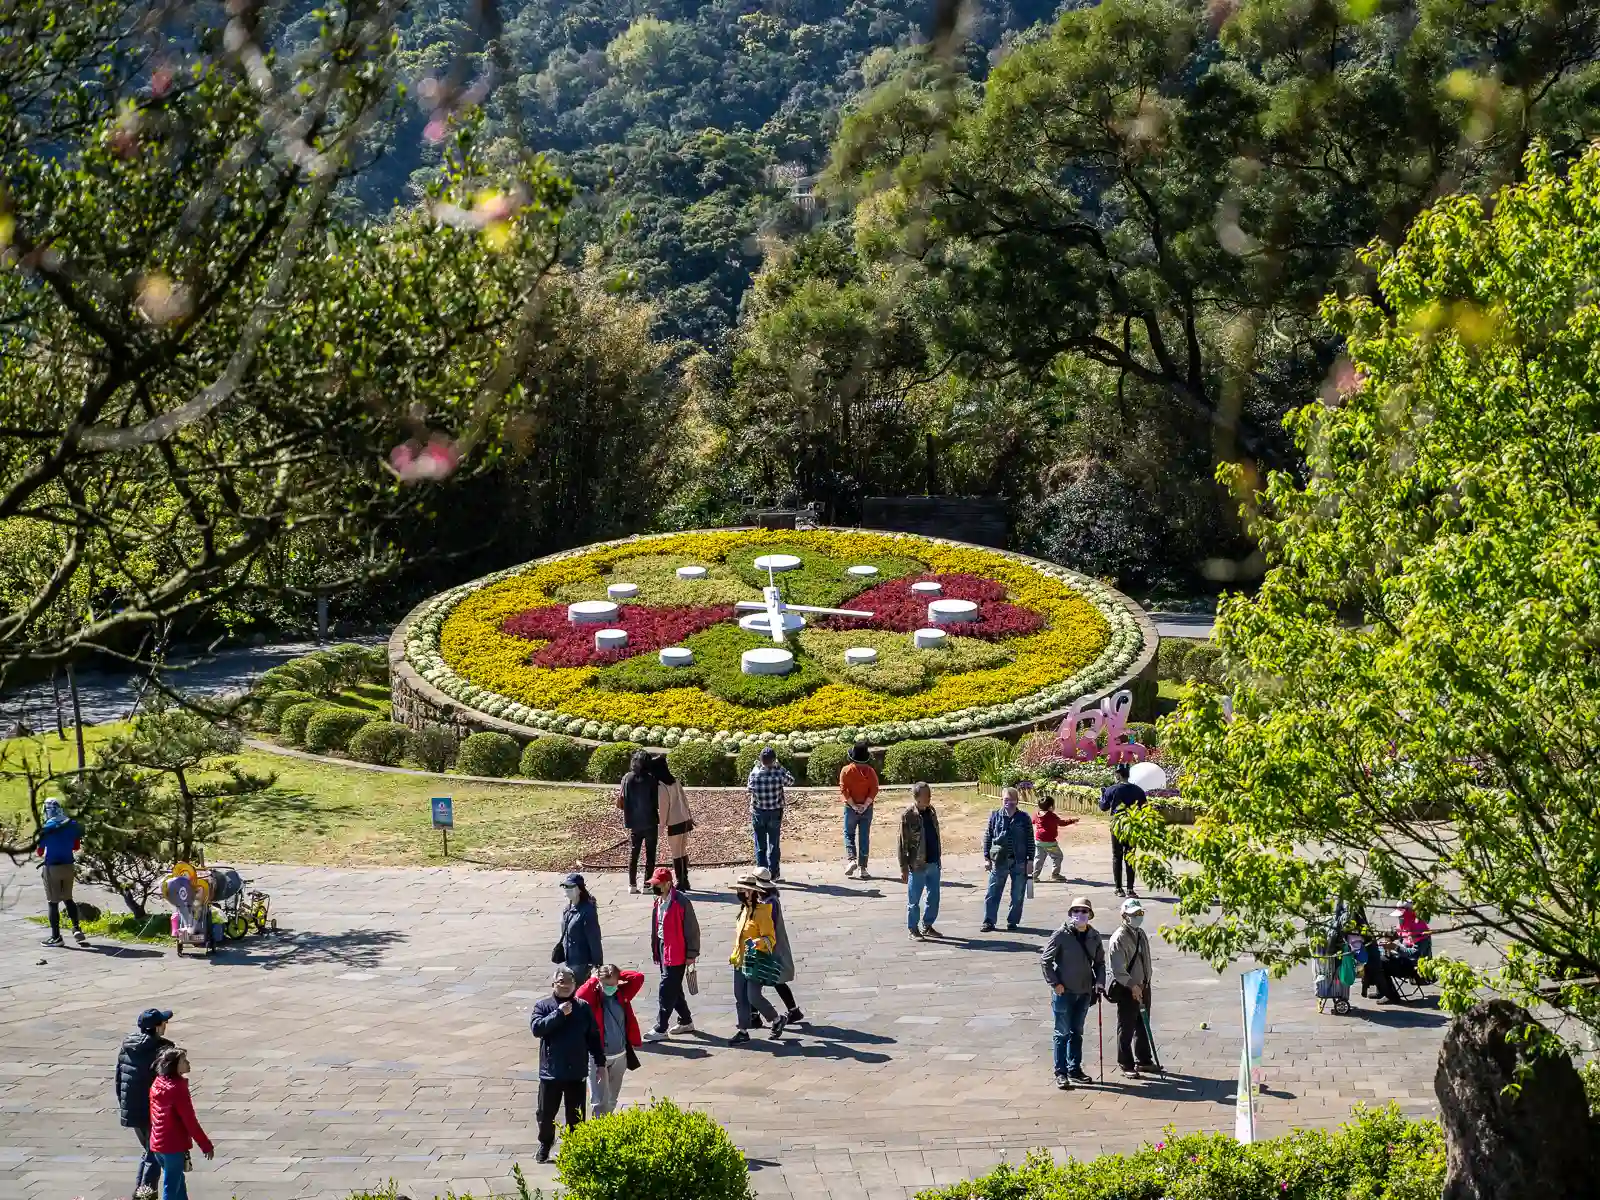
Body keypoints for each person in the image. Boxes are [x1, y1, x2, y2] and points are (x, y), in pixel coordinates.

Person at [529, 966, 605, 1163]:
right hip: (550, 1072)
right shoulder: (543, 1006)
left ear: (575, 984)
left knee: (576, 1116)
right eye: (560, 982)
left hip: (576, 1071)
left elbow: (593, 1037)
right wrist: (559, 1014)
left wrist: (600, 1062)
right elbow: (537, 1029)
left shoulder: (583, 1007)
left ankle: (575, 1148)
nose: (564, 986)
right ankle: (545, 1143)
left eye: (568, 982)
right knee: (545, 1114)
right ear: (553, 984)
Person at [1040, 898, 1105, 1088]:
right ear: (1070, 913)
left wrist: (1100, 983)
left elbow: (1100, 963)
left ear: (1090, 915)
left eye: (1084, 911)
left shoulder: (1094, 936)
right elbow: (1046, 961)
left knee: (1077, 1032)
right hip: (1064, 992)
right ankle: (1061, 1072)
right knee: (1062, 1033)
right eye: (1076, 911)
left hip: (1084, 991)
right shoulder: (1061, 934)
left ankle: (1074, 1069)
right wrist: (1055, 984)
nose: (1080, 914)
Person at [115, 1007, 174, 1197]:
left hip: (131, 1108)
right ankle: (145, 1194)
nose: (166, 1025)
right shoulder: (163, 1049)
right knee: (154, 1153)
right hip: (154, 1110)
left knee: (149, 1151)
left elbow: (118, 1078)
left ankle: (142, 1192)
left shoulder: (127, 1045)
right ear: (157, 1027)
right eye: (163, 1022)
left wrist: (124, 1104)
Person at [575, 963, 644, 1116]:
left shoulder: (621, 995)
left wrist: (619, 974)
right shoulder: (592, 999)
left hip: (620, 1055)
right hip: (598, 1057)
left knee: (612, 1098)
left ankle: (607, 1125)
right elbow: (579, 996)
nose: (610, 988)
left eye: (613, 984)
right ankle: (599, 1132)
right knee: (599, 1100)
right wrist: (593, 979)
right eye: (606, 984)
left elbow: (638, 978)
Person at [147, 1046, 214, 1200]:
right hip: (172, 1146)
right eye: (184, 1061)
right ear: (174, 1065)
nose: (188, 1063)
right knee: (171, 1188)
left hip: (158, 1145)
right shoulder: (177, 1089)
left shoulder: (157, 1083)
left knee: (178, 1184)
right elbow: (190, 1121)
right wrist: (205, 1145)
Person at [728, 871, 787, 1043]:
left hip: (755, 960)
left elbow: (770, 938)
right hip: (740, 959)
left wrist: (756, 943)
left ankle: (776, 1019)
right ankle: (743, 1031)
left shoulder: (762, 912)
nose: (739, 892)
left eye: (742, 889)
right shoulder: (743, 911)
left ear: (751, 892)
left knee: (753, 996)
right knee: (740, 996)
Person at [644, 866, 699, 1041]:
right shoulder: (658, 901)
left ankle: (661, 1027)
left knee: (667, 987)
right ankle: (686, 1020)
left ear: (668, 884)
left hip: (676, 950)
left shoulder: (681, 902)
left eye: (657, 884)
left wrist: (691, 955)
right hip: (662, 946)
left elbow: (692, 930)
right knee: (674, 986)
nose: (655, 887)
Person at [1107, 897, 1156, 1077]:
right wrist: (1132, 986)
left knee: (1143, 1024)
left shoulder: (1141, 933)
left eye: (1140, 913)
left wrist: (1146, 982)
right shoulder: (1118, 938)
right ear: (1124, 915)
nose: (1137, 916)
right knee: (1126, 1026)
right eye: (1133, 914)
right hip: (1128, 988)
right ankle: (1126, 1063)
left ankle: (1144, 1060)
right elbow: (1117, 969)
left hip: (1144, 985)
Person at [749, 867, 804, 1026]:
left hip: (769, 947)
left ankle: (756, 1016)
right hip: (768, 946)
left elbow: (766, 925)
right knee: (764, 980)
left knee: (758, 979)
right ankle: (792, 1010)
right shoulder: (768, 900)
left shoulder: (770, 903)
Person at [981, 786, 1035, 932]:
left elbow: (1030, 839)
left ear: (1017, 801)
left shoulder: (1024, 818)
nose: (1009, 803)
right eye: (1006, 800)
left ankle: (1013, 921)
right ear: (1001, 800)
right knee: (993, 892)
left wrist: (1030, 860)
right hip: (999, 860)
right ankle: (989, 921)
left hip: (1019, 861)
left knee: (1018, 894)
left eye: (1012, 800)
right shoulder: (995, 815)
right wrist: (986, 857)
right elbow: (988, 837)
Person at [36, 796, 87, 947]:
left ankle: (56, 937)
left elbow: (39, 852)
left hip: (52, 867)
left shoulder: (46, 828)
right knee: (68, 898)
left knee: (53, 902)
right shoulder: (72, 824)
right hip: (68, 866)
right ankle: (76, 928)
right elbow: (76, 846)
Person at [899, 782, 943, 940]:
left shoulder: (931, 811)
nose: (929, 796)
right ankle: (913, 929)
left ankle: (928, 925)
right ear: (917, 797)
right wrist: (903, 867)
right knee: (914, 900)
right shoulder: (908, 815)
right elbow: (902, 843)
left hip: (933, 862)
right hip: (917, 865)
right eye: (926, 794)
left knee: (934, 897)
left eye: (930, 793)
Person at [746, 746, 794, 880]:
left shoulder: (754, 773)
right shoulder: (779, 773)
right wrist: (780, 767)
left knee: (760, 844)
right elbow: (791, 781)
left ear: (760, 760)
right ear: (773, 760)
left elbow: (749, 789)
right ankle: (774, 873)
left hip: (758, 811)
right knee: (774, 843)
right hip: (775, 812)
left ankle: (762, 873)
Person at [1099, 763, 1146, 897]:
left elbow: (1103, 807)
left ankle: (1118, 888)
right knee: (1130, 856)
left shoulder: (1112, 789)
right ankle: (1130, 889)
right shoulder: (1138, 790)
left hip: (1117, 825)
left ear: (1118, 775)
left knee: (1117, 856)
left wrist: (1102, 796)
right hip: (1132, 825)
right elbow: (1144, 809)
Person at [618, 751, 660, 892]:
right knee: (650, 855)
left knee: (634, 853)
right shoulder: (651, 779)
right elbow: (656, 802)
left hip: (633, 822)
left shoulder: (626, 778)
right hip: (650, 821)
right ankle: (647, 885)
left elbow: (622, 799)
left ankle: (632, 885)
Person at [654, 754, 695, 891]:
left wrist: (661, 826)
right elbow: (684, 799)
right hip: (684, 818)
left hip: (674, 821)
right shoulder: (675, 780)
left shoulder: (661, 785)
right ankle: (685, 880)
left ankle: (680, 882)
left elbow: (664, 807)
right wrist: (689, 815)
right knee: (682, 851)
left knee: (676, 853)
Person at [839, 742, 878, 879]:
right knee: (864, 836)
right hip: (866, 809)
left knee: (849, 833)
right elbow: (874, 789)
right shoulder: (871, 771)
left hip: (851, 808)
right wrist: (865, 805)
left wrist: (854, 806)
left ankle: (851, 860)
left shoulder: (846, 770)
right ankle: (863, 868)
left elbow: (844, 790)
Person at [556, 873, 603, 983]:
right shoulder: (567, 909)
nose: (567, 890)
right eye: (565, 886)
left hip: (582, 962)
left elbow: (594, 938)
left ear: (580, 889)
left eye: (571, 887)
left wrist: (598, 964)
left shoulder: (587, 912)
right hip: (569, 959)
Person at [1031, 794, 1076, 882]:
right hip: (1050, 843)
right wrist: (1072, 820)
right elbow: (1062, 823)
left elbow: (1031, 822)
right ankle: (1055, 874)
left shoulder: (1036, 815)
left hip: (1039, 841)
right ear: (1051, 807)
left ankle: (1034, 876)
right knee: (1058, 857)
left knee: (1039, 859)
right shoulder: (1052, 816)